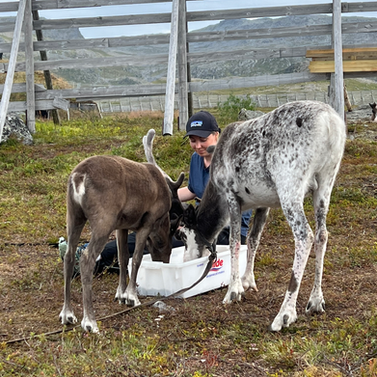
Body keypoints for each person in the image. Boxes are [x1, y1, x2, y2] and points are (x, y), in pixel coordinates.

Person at [62, 111, 251, 275]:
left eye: (203, 140)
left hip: (225, 232)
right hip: (198, 222)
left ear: (217, 135)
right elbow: (193, 191)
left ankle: (98, 256)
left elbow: (240, 205)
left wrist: (189, 229)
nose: (198, 146)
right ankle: (92, 253)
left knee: (158, 241)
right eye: (193, 141)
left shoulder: (229, 163)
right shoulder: (197, 159)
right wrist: (159, 200)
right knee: (154, 224)